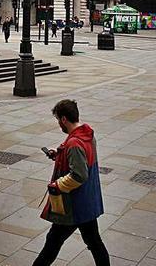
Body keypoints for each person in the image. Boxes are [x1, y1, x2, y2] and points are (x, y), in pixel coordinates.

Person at [33, 99, 109, 266]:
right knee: (94, 243)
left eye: (58, 120)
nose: (59, 124)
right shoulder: (87, 134)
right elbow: (81, 158)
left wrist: (58, 185)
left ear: (64, 119)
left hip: (74, 205)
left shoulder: (74, 143)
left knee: (52, 244)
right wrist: (59, 154)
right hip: (87, 203)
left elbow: (79, 175)